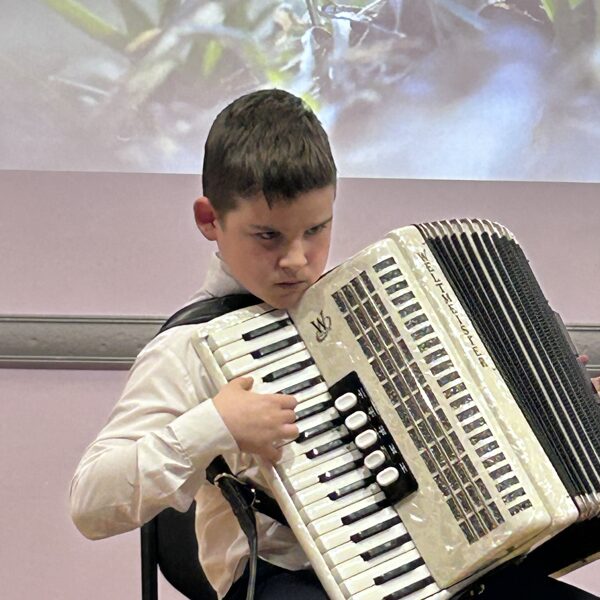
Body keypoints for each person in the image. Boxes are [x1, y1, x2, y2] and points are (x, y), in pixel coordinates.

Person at [70, 88, 335, 600]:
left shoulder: (354, 311)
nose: (297, 259)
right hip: (277, 577)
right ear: (210, 219)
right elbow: (89, 502)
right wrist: (215, 425)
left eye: (316, 230)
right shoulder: (189, 346)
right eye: (268, 236)